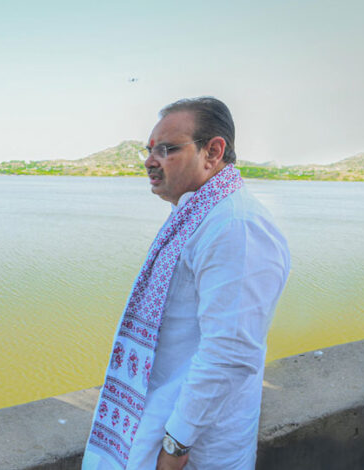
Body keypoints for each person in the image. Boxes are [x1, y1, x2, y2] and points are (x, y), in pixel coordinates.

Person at [82, 97, 290, 470]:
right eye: (149, 150)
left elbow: (230, 353)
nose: (150, 161)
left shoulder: (235, 227)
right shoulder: (199, 212)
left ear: (213, 152)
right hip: (161, 416)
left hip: (195, 447)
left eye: (167, 149)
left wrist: (175, 446)